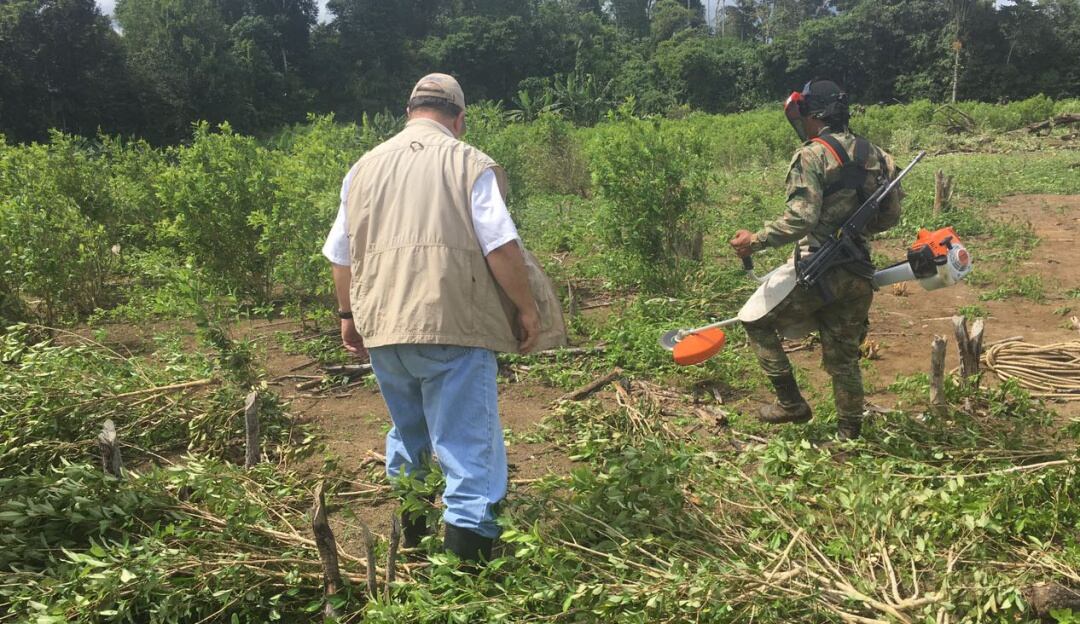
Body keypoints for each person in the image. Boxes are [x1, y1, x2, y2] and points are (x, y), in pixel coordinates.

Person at [322, 73, 565, 562]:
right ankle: (465, 576)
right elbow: (500, 244)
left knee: (409, 435)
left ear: (410, 112)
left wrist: (348, 316)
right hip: (453, 325)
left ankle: (410, 543)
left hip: (384, 328)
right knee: (467, 444)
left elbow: (340, 253)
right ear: (459, 118)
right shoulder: (467, 162)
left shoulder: (363, 168)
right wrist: (525, 308)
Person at [729, 79, 902, 440]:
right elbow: (889, 217)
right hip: (859, 272)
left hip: (819, 271)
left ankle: (791, 403)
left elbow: (801, 219)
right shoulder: (880, 156)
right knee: (844, 357)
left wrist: (755, 240)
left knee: (756, 322)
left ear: (813, 114)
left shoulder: (812, 155)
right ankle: (849, 431)